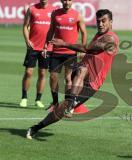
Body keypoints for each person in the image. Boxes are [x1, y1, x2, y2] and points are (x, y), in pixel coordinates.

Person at [26, 9, 119, 139]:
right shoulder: (99, 34)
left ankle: (70, 103)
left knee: (80, 71)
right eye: (98, 21)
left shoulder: (110, 38)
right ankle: (37, 127)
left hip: (92, 83)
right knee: (62, 103)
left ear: (111, 22)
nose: (100, 24)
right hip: (81, 76)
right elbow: (90, 54)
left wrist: (64, 44)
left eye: (104, 21)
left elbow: (87, 49)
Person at [44, 0, 87, 108]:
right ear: (61, 1)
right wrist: (46, 46)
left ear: (71, 1)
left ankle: (67, 104)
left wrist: (82, 49)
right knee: (53, 76)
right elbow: (51, 30)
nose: (67, 2)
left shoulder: (77, 15)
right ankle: (55, 102)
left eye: (69, 0)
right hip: (56, 51)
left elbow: (84, 33)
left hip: (70, 52)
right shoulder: (55, 13)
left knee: (68, 78)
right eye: (64, 0)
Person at [20, 0, 56, 108]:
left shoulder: (54, 10)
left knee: (42, 73)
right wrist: (27, 40)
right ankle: (24, 97)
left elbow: (55, 28)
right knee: (29, 72)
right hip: (33, 47)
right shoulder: (31, 9)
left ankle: (38, 99)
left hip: (46, 48)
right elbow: (25, 26)